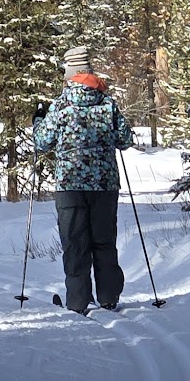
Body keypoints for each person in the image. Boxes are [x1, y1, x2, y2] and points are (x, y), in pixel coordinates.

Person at [33, 44, 134, 313]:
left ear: (70, 74)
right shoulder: (107, 103)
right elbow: (125, 140)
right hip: (105, 185)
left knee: (75, 243)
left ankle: (77, 302)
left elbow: (42, 142)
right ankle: (109, 297)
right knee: (104, 241)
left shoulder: (61, 106)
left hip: (70, 186)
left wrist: (37, 120)